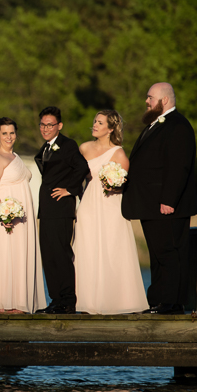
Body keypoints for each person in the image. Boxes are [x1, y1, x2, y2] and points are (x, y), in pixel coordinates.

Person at [122, 83, 197, 314]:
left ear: (164, 100)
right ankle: (158, 300)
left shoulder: (178, 126)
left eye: (150, 97)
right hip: (150, 205)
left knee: (169, 253)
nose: (146, 101)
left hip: (166, 206)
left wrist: (169, 200)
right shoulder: (155, 125)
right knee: (157, 254)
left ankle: (172, 303)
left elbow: (179, 166)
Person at [73, 110, 149, 314]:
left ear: (110, 128)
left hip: (111, 206)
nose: (94, 125)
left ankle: (117, 300)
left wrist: (113, 185)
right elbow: (74, 176)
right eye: (94, 121)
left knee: (111, 248)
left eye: (100, 122)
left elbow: (124, 185)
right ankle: (86, 301)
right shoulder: (83, 148)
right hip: (88, 204)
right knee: (87, 247)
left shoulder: (119, 153)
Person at [0, 118, 44, 314]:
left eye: (12, 133)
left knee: (17, 256)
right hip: (2, 217)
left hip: (20, 218)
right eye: (4, 133)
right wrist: (5, 215)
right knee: (2, 256)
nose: (9, 137)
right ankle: (0, 304)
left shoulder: (15, 157)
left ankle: (17, 303)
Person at [33, 106, 87, 315]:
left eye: (50, 125)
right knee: (48, 255)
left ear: (59, 126)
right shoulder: (46, 147)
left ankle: (67, 301)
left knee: (61, 255)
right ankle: (55, 299)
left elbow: (82, 167)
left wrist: (70, 190)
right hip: (47, 209)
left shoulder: (67, 145)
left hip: (61, 210)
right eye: (43, 125)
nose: (45, 129)